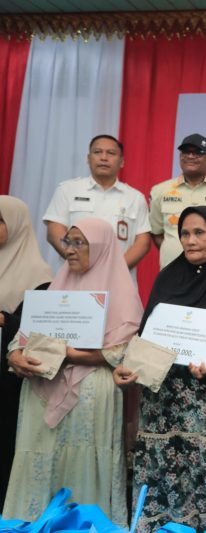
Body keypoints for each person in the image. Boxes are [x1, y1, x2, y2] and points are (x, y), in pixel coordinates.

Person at [113, 206, 206, 532]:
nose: (191, 240)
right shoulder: (168, 278)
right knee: (164, 485)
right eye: (185, 233)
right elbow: (148, 337)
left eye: (199, 233)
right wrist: (128, 367)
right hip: (164, 408)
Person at [4, 218, 142, 526]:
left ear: (102, 247)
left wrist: (68, 354)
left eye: (80, 243)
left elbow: (124, 350)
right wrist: (15, 354)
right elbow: (25, 336)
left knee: (84, 467)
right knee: (40, 463)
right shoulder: (56, 286)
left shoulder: (122, 294)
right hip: (42, 392)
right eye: (68, 242)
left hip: (91, 395)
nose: (69, 250)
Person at [0, 196, 52, 509]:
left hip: (9, 375)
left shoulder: (39, 274)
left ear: (17, 224)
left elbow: (37, 328)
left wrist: (6, 320)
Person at [42, 135, 150, 277]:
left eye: (111, 153)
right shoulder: (67, 190)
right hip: (75, 276)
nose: (103, 158)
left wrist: (114, 269)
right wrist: (81, 261)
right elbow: (54, 232)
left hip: (118, 278)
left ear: (122, 162)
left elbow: (143, 242)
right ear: (88, 159)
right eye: (97, 152)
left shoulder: (135, 197)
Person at [149, 134, 206, 269]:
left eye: (198, 153)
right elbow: (157, 233)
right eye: (185, 152)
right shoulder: (160, 191)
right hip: (173, 270)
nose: (191, 156)